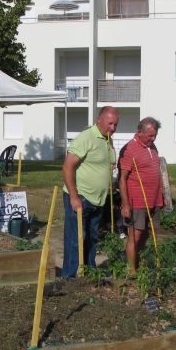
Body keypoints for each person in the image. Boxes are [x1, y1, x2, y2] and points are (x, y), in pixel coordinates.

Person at [61, 106, 119, 278]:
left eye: (116, 125)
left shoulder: (108, 140)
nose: (113, 128)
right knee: (75, 239)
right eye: (110, 124)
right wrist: (74, 196)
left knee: (92, 238)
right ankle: (70, 277)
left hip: (98, 200)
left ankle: (89, 273)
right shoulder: (86, 137)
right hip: (81, 197)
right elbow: (67, 166)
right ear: (99, 120)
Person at [119, 117, 163, 272]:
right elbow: (122, 178)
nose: (153, 138)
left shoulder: (152, 147)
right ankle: (131, 271)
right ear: (139, 132)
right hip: (137, 201)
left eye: (155, 135)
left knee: (147, 235)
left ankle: (142, 265)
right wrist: (125, 204)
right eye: (150, 135)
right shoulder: (130, 149)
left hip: (154, 200)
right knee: (134, 237)